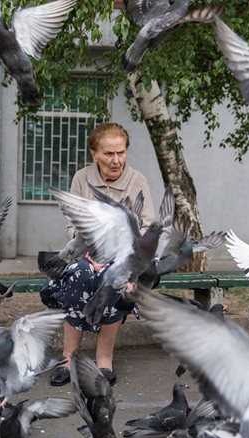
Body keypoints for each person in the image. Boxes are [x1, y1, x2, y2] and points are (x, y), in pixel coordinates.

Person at [41, 122, 155, 387]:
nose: (116, 160)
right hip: (85, 256)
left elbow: (148, 228)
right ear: (94, 153)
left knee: (113, 279)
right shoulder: (82, 178)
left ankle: (104, 359)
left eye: (121, 152)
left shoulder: (137, 181)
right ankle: (69, 358)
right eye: (109, 154)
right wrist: (85, 242)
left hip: (125, 259)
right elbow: (71, 226)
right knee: (80, 275)